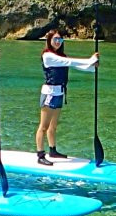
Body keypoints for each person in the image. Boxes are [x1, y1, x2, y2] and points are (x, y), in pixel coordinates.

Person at [35, 29, 97, 165]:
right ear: (49, 41)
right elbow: (70, 62)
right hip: (49, 93)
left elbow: (73, 65)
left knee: (53, 126)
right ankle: (40, 155)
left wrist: (92, 67)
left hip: (59, 93)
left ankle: (52, 151)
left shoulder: (62, 56)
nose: (58, 42)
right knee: (44, 127)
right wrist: (90, 60)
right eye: (55, 39)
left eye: (60, 39)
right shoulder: (47, 55)